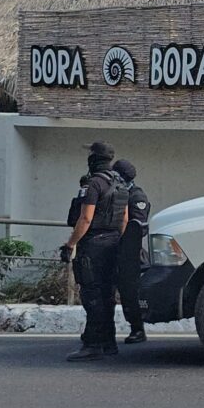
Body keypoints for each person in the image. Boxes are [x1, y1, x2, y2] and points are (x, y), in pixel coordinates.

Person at [60, 141, 128, 362]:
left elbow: (86, 218)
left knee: (92, 296)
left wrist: (71, 244)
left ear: (94, 159)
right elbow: (124, 219)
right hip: (114, 243)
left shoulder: (94, 184)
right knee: (107, 295)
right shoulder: (120, 182)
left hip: (94, 246)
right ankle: (109, 343)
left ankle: (93, 344)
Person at [113, 159, 151, 344]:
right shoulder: (116, 193)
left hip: (130, 253)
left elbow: (139, 227)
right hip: (112, 250)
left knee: (130, 293)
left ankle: (137, 329)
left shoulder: (136, 196)